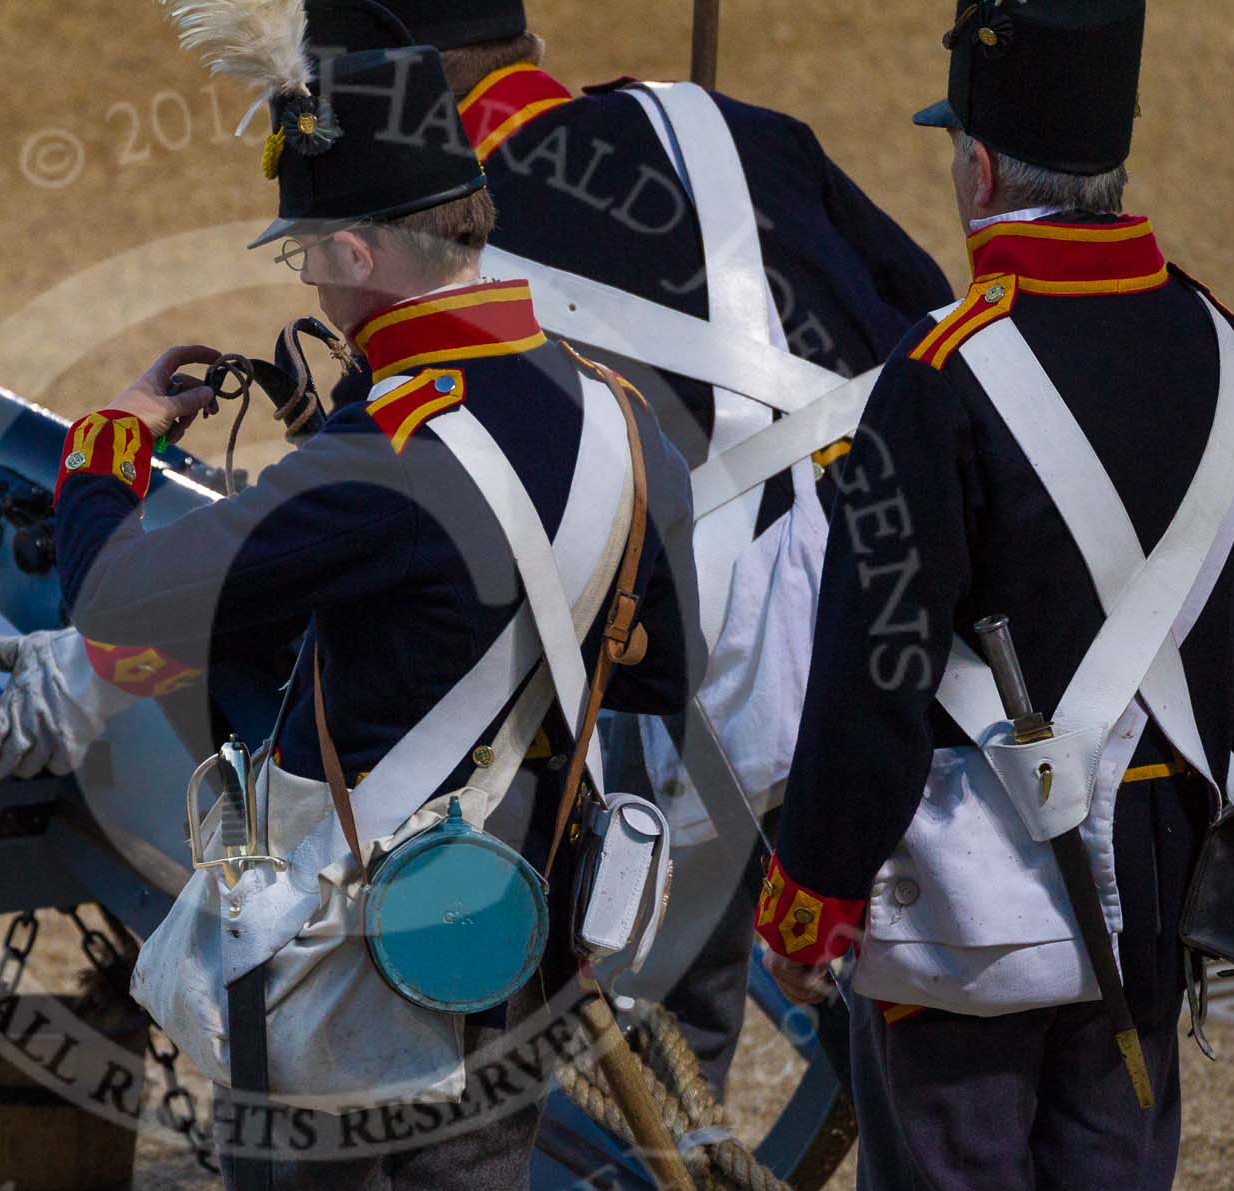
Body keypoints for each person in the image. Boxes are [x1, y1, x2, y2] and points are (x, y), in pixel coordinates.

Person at [0, 19, 690, 1191]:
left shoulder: (389, 454)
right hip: (517, 922)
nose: (307, 275)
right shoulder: (614, 408)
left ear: (356, 255)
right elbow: (662, 669)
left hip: (343, 946)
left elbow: (125, 601)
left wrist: (107, 448)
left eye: (308, 251)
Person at [756, 3, 1234, 1191]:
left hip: (968, 911)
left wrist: (816, 875)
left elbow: (875, 664)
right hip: (1156, 887)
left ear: (979, 172)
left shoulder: (936, 379)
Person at [304, 0, 953, 1097]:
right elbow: (927, 331)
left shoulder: (430, 254)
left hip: (680, 683)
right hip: (891, 622)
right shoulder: (725, 126)